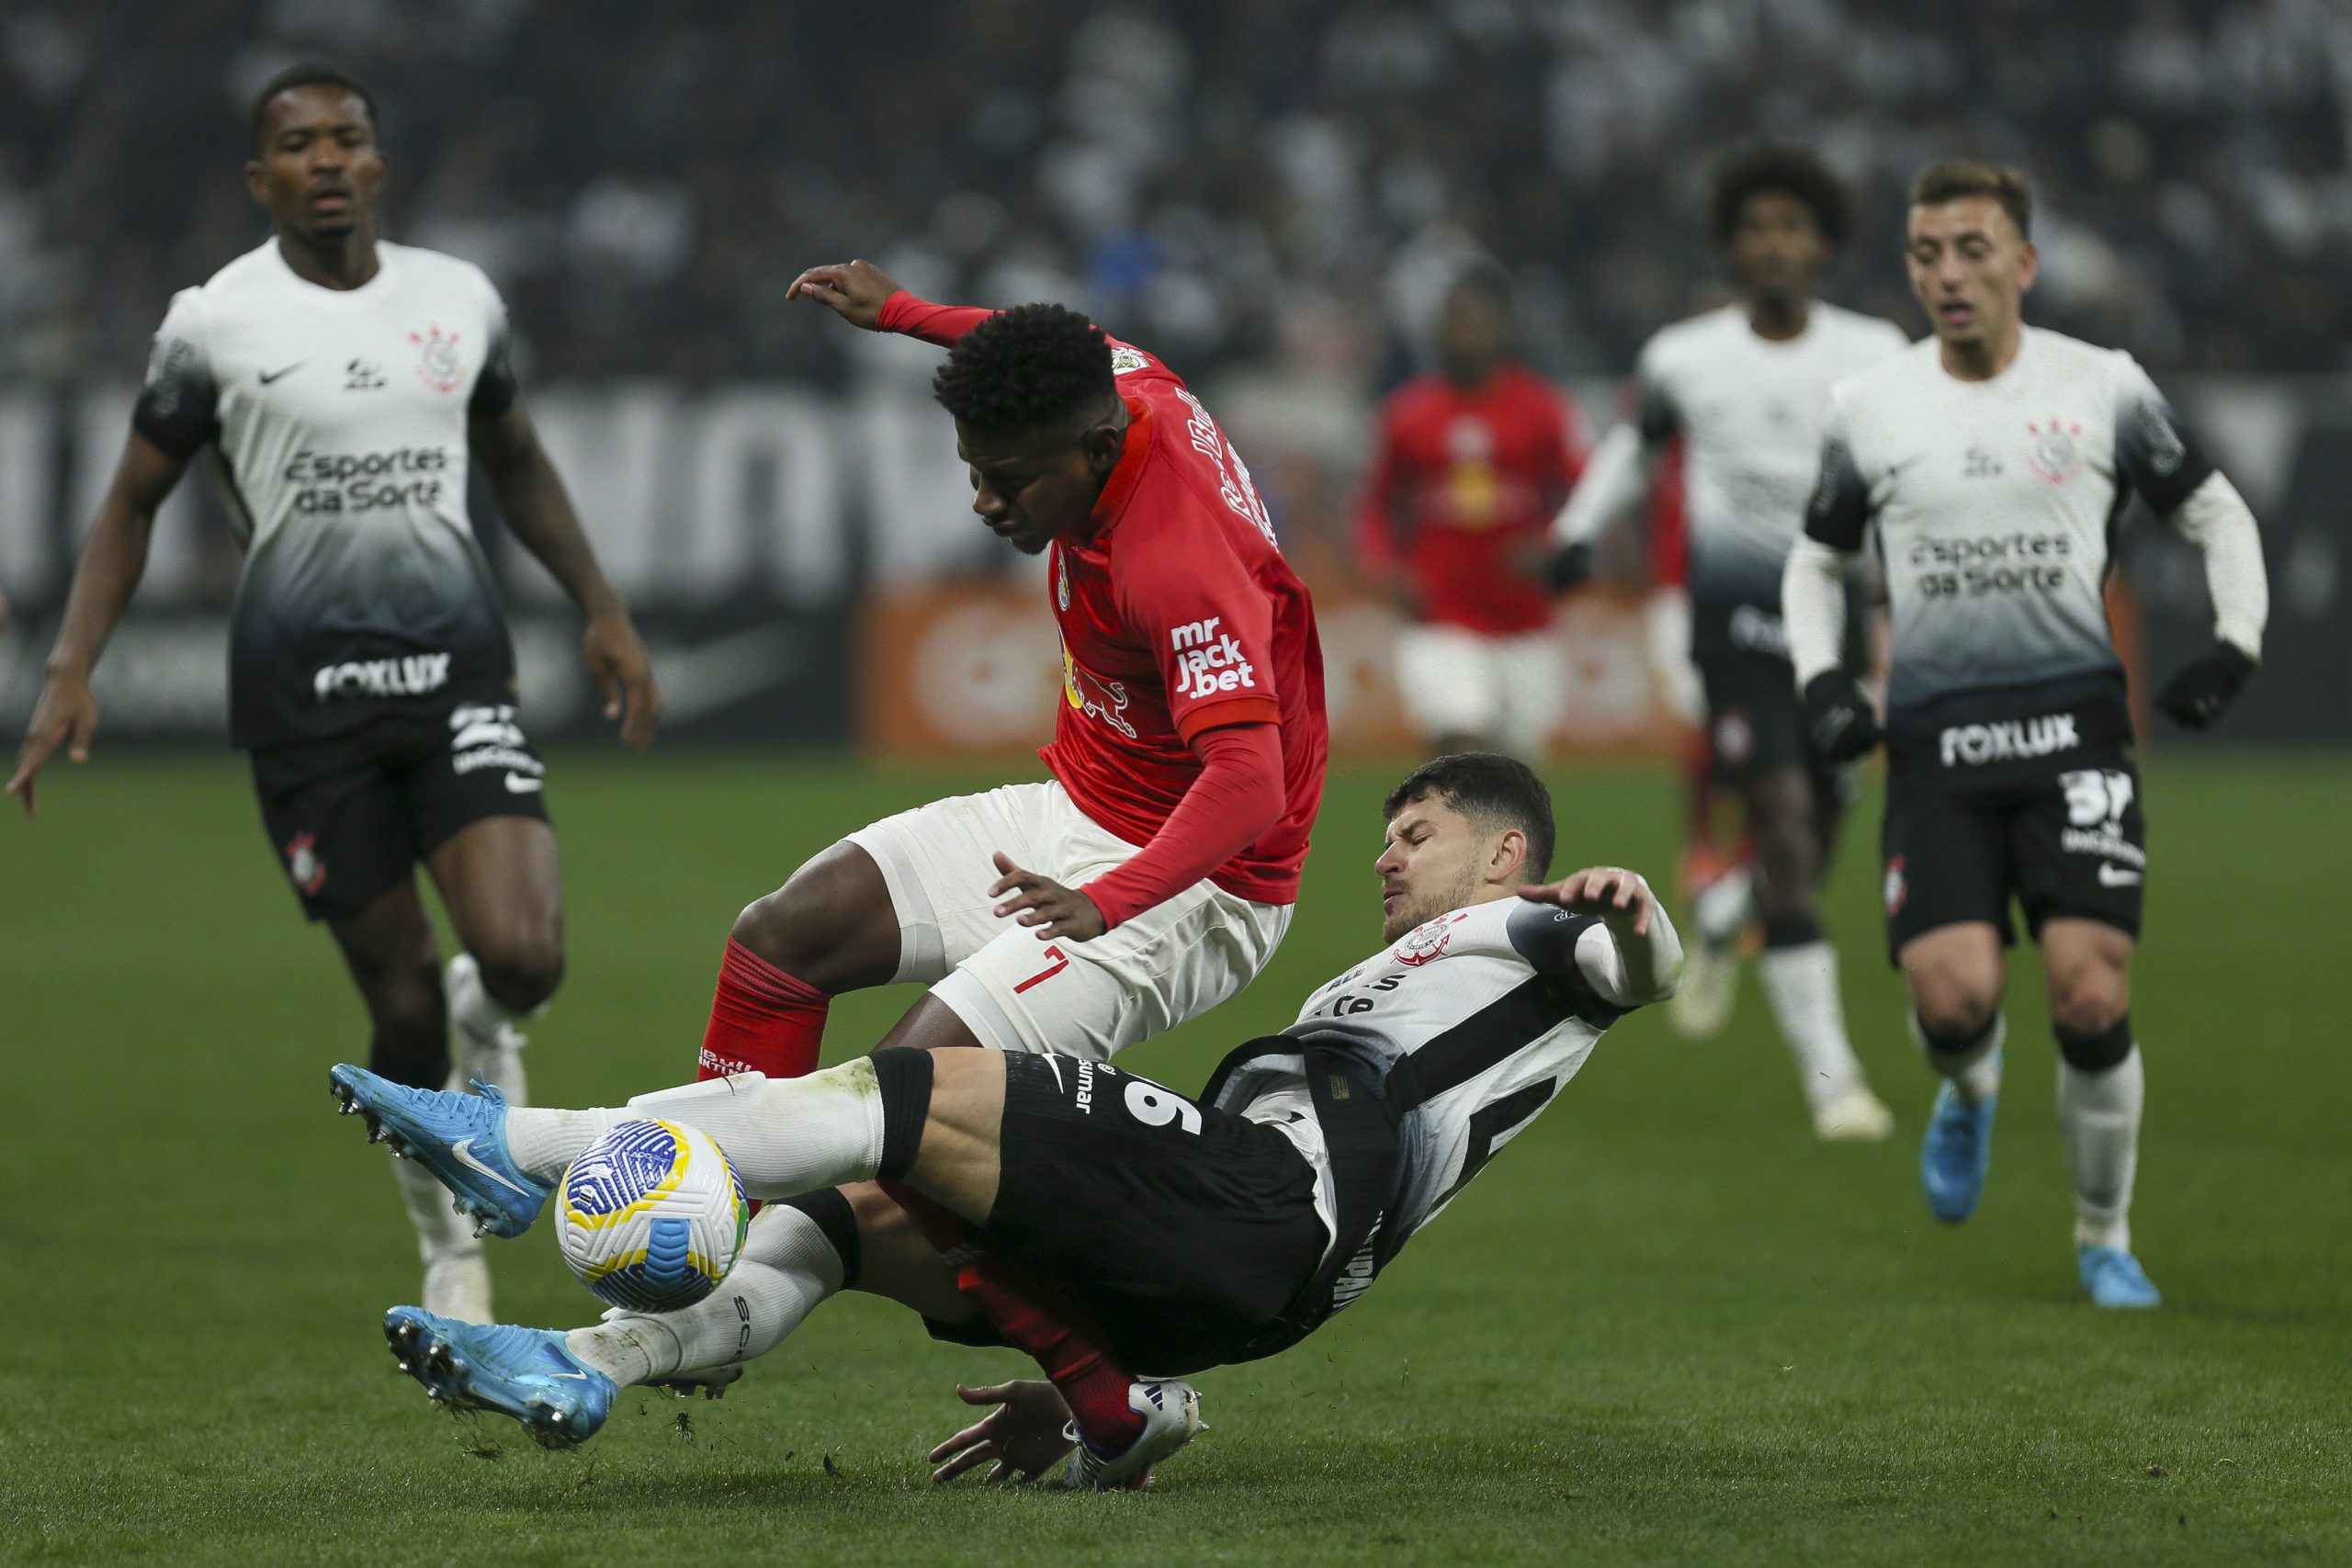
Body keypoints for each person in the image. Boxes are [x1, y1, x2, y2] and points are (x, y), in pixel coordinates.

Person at [326, 753, 1681, 1488]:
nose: (1384, 853)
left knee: (906, 1095)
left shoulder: (1534, 929)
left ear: (1506, 851)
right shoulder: (1391, 970)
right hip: (1235, 1276)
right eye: (1387, 833)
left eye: (1419, 830)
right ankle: (592, 1362)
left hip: (1268, 1203)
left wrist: (1632, 908)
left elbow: (1639, 970)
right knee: (848, 1217)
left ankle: (528, 1145)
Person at [5, 66, 661, 1322]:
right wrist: (68, 667)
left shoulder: (459, 300)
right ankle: (445, 1238)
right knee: (399, 1003)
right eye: (296, 144)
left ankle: (492, 1010)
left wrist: (604, 608)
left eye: (346, 139)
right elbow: (134, 498)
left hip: (454, 668)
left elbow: (516, 459)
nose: (325, 160)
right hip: (303, 705)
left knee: (521, 955)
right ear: (260, 179)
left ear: (377, 162)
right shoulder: (214, 321)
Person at [641, 259, 1325, 1461]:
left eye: (1009, 480)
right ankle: (716, 1266)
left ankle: (1108, 1395)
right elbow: (1049, 336)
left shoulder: (1180, 559)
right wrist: (903, 313)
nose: (984, 503)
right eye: (973, 471)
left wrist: (1106, 900)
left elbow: (1251, 784)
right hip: (1079, 810)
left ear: (1094, 446)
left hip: (1197, 879)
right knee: (782, 936)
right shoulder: (1114, 384)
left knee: (909, 1091)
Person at [1784, 162, 2269, 1307]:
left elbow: (2213, 509)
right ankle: (1968, 1090)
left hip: (2075, 739)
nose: (1946, 274)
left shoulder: (2100, 388)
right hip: (1935, 746)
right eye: (1924, 254)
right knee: (1952, 1006)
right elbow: (1816, 560)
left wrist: (2233, 645)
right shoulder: (1869, 406)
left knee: (2090, 995)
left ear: (2023, 263)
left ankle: (2103, 1236)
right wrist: (1822, 681)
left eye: (1970, 249)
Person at [1549, 147, 1906, 1140]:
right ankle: (1834, 1083)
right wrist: (1578, 532)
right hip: (1737, 627)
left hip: (1838, 624)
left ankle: (1725, 909)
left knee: (1820, 826)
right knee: (1785, 823)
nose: (1775, 244)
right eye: (1756, 227)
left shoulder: (1875, 350)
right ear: (1729, 246)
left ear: (1823, 243)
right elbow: (1634, 446)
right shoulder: (1684, 356)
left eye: (1793, 226)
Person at [1353, 268, 1588, 759]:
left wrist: (1552, 544)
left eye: (1475, 322)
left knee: (1514, 774)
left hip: (1524, 620)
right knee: (1459, 746)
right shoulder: (1407, 416)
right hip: (1441, 616)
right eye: (1453, 323)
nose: (1464, 334)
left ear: (1501, 330)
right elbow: (1374, 506)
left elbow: (1586, 494)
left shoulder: (1543, 410)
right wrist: (1387, 569)